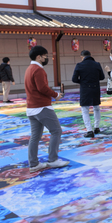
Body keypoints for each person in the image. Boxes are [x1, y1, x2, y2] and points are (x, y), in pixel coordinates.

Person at [25, 45, 68, 173]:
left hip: (31, 108)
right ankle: (53, 159)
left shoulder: (29, 69)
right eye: (45, 56)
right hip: (42, 107)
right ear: (39, 57)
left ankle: (33, 164)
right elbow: (42, 88)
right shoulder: (38, 69)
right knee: (56, 131)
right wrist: (56, 95)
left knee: (35, 136)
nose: (46, 58)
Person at [72, 50, 105, 138]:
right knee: (96, 108)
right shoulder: (97, 64)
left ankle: (89, 130)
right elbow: (102, 77)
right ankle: (97, 127)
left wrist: (82, 82)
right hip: (95, 89)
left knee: (85, 110)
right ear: (90, 55)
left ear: (82, 57)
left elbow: (74, 79)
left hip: (85, 90)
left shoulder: (79, 65)